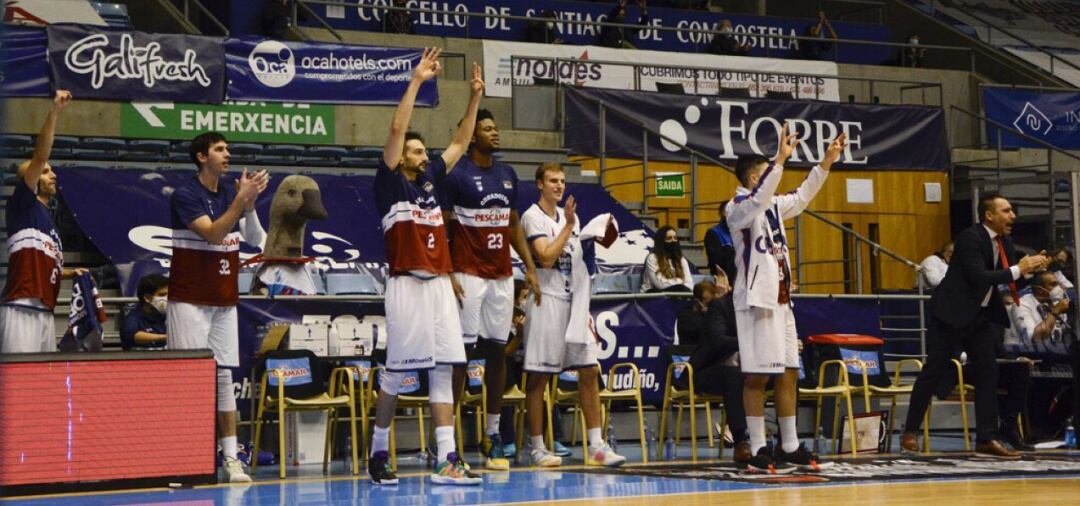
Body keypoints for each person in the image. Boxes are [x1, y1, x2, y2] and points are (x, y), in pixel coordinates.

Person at [366, 48, 484, 486]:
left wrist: (473, 99)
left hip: (439, 287)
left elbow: (460, 142)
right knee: (397, 372)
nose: (422, 153)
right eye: (415, 150)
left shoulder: (433, 177)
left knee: (444, 369)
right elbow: (397, 126)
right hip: (406, 286)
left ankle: (447, 458)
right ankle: (378, 452)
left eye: (421, 150)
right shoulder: (388, 182)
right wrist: (416, 81)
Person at [725, 125, 846, 473]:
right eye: (768, 172)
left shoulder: (775, 205)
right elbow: (761, 198)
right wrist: (779, 157)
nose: (776, 176)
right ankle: (759, 446)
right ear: (753, 177)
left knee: (790, 371)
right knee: (757, 376)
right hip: (756, 301)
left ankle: (789, 445)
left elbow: (804, 195)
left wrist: (826, 162)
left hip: (782, 302)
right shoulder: (736, 208)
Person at [900, 195, 1050, 458]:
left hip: (980, 316)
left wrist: (1029, 270)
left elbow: (1007, 282)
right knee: (933, 370)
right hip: (950, 314)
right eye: (1006, 210)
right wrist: (1019, 268)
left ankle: (986, 438)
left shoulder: (1005, 241)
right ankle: (910, 431)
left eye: (1012, 210)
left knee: (988, 372)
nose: (1012, 215)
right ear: (989, 215)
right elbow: (979, 277)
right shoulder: (970, 238)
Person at [441, 106, 542, 471]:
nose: (494, 133)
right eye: (486, 128)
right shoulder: (456, 174)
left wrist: (529, 267)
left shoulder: (508, 174)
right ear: (471, 135)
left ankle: (492, 433)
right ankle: (448, 438)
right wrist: (448, 270)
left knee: (498, 352)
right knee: (460, 354)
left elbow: (513, 223)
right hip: (468, 273)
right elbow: (445, 226)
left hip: (501, 275)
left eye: (495, 127)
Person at [168, 131, 269, 482]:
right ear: (201, 157)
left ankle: (230, 458)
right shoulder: (185, 195)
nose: (228, 154)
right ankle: (183, 456)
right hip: (190, 301)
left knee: (225, 379)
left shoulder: (230, 193)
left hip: (224, 301)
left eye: (228, 149)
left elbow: (257, 241)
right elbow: (211, 233)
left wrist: (250, 205)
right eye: (220, 149)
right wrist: (240, 201)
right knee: (189, 382)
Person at [521, 162, 625, 468]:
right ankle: (538, 447)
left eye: (563, 181)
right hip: (547, 299)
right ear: (539, 184)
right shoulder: (532, 216)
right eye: (552, 180)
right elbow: (546, 256)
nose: (559, 185)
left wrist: (595, 237)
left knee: (589, 370)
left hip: (573, 301)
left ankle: (596, 445)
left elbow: (574, 254)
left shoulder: (572, 218)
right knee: (539, 377)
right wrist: (568, 227)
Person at [1, 90, 87, 353]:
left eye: (51, 170)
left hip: (45, 310)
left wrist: (72, 273)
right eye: (45, 171)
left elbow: (44, 265)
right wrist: (55, 112)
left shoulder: (49, 222)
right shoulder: (23, 205)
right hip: (21, 307)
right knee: (18, 384)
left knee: (41, 384)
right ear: (32, 178)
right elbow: (39, 157)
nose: (52, 174)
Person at [673, 277, 751, 461]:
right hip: (704, 371)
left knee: (784, 373)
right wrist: (751, 342)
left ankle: (786, 442)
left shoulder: (757, 310)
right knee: (733, 375)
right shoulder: (718, 307)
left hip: (744, 366)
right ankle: (740, 440)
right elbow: (718, 341)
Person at [120, 274, 169, 350]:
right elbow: (132, 336)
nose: (166, 298)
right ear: (147, 298)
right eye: (162, 295)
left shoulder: (167, 317)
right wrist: (163, 337)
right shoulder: (133, 318)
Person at [642, 226, 693, 293]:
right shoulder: (652, 258)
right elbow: (660, 285)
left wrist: (680, 286)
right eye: (669, 238)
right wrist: (680, 281)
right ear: (661, 241)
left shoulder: (681, 259)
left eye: (675, 238)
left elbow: (690, 284)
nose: (673, 241)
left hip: (677, 294)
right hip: (653, 295)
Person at [704, 201, 736, 280]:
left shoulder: (740, 233)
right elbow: (716, 262)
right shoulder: (713, 233)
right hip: (723, 280)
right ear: (721, 213)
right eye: (727, 211)